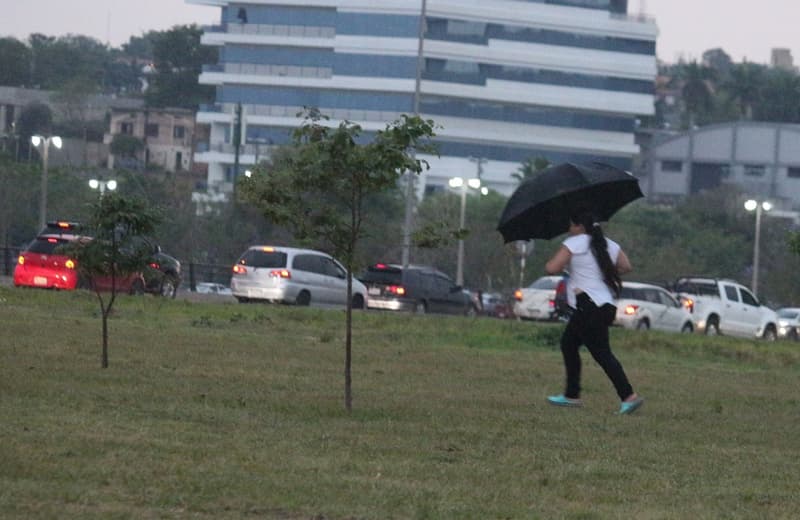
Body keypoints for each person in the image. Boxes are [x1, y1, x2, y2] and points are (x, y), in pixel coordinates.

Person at [543, 209, 643, 415]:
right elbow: (626, 266)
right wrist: (604, 271)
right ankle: (572, 394)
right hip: (605, 305)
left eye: (571, 225)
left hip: (588, 305)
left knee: (601, 353)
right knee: (569, 343)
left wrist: (565, 266)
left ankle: (628, 396)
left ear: (579, 226)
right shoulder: (609, 244)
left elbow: (552, 269)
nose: (569, 230)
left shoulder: (574, 243)